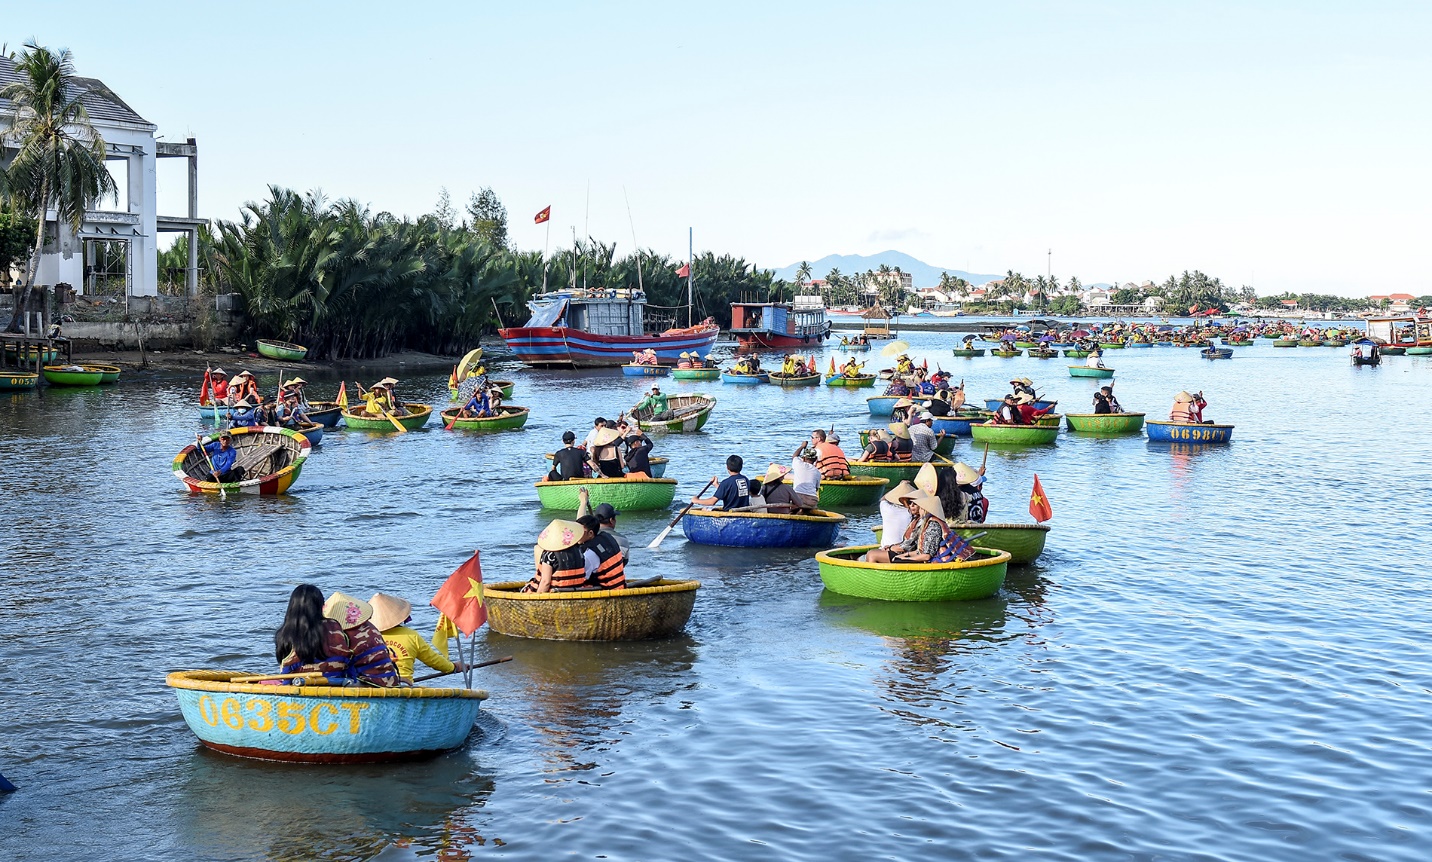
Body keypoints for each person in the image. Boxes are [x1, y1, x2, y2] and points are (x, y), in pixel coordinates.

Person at [275, 587, 400, 686]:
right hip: (334, 684)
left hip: (297, 684)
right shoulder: (334, 626)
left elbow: (283, 666)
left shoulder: (284, 634)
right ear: (320, 606)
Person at [370, 593, 465, 683]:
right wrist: (453, 667)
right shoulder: (411, 636)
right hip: (404, 684)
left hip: (373, 684)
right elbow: (433, 660)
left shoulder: (366, 637)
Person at [865, 491, 934, 564]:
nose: (912, 505)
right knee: (871, 553)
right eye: (910, 503)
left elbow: (909, 546)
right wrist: (892, 546)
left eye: (915, 504)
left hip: (911, 553)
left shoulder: (923, 521)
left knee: (872, 555)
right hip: (907, 551)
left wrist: (890, 548)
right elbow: (907, 542)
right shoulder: (915, 519)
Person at [523, 520, 592, 593]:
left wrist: (537, 598)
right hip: (575, 590)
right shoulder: (579, 550)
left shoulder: (549, 554)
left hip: (556, 592)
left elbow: (545, 582)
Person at [577, 490, 630, 562]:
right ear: (611, 520)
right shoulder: (623, 540)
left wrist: (583, 502)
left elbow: (580, 525)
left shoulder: (589, 536)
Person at [577, 514, 626, 590]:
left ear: (590, 534)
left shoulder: (590, 554)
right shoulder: (608, 538)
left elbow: (580, 579)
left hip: (608, 590)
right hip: (619, 586)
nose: (576, 535)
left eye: (580, 532)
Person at [875, 479, 917, 551]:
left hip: (886, 550)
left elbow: (883, 499)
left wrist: (899, 487)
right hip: (903, 550)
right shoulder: (912, 513)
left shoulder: (886, 508)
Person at [788, 445, 822, 511]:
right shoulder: (818, 472)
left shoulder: (798, 464)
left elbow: (795, 456)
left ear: (803, 458)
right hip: (812, 500)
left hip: (797, 498)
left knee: (792, 510)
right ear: (815, 459)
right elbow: (816, 489)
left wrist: (802, 446)